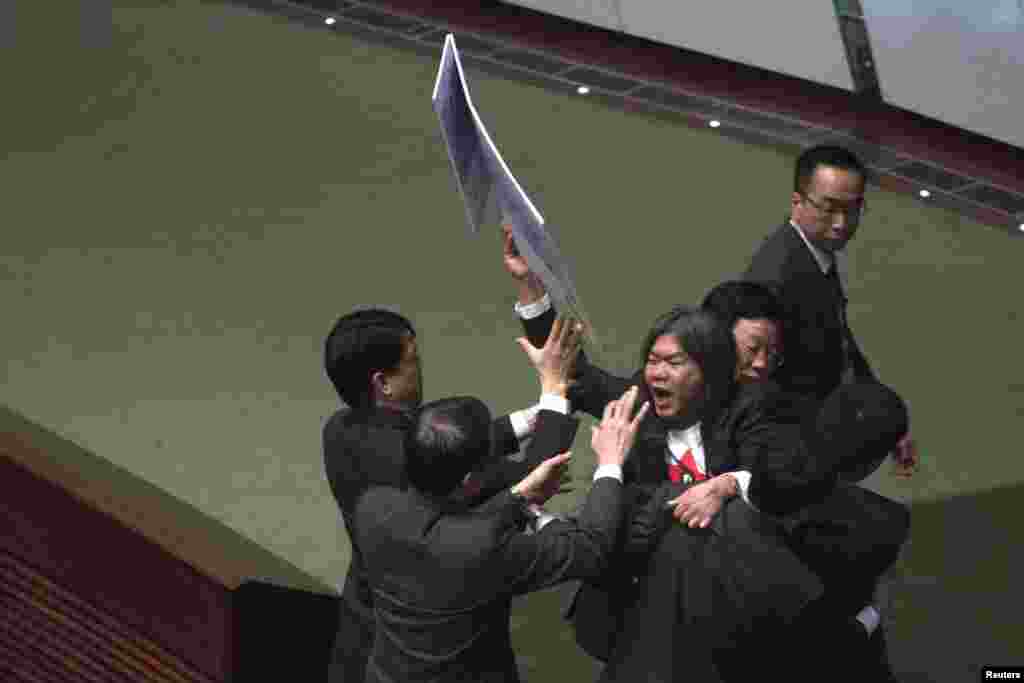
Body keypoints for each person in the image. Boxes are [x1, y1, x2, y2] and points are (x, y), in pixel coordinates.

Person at [321, 308, 584, 683]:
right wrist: (555, 390)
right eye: (413, 360)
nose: (420, 367)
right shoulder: (423, 474)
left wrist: (531, 417)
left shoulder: (340, 431)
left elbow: (447, 443)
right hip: (450, 661)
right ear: (383, 383)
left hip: (367, 640)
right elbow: (537, 474)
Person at [354, 383, 650, 682]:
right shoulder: (482, 549)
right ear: (469, 481)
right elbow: (590, 548)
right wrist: (611, 463)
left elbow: (448, 531)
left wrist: (517, 497)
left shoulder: (372, 506)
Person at [742, 144, 917, 476]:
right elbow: (755, 384)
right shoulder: (775, 277)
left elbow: (840, 338)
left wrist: (883, 416)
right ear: (797, 202)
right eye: (829, 208)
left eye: (852, 210)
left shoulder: (814, 253)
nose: (841, 223)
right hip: (792, 457)